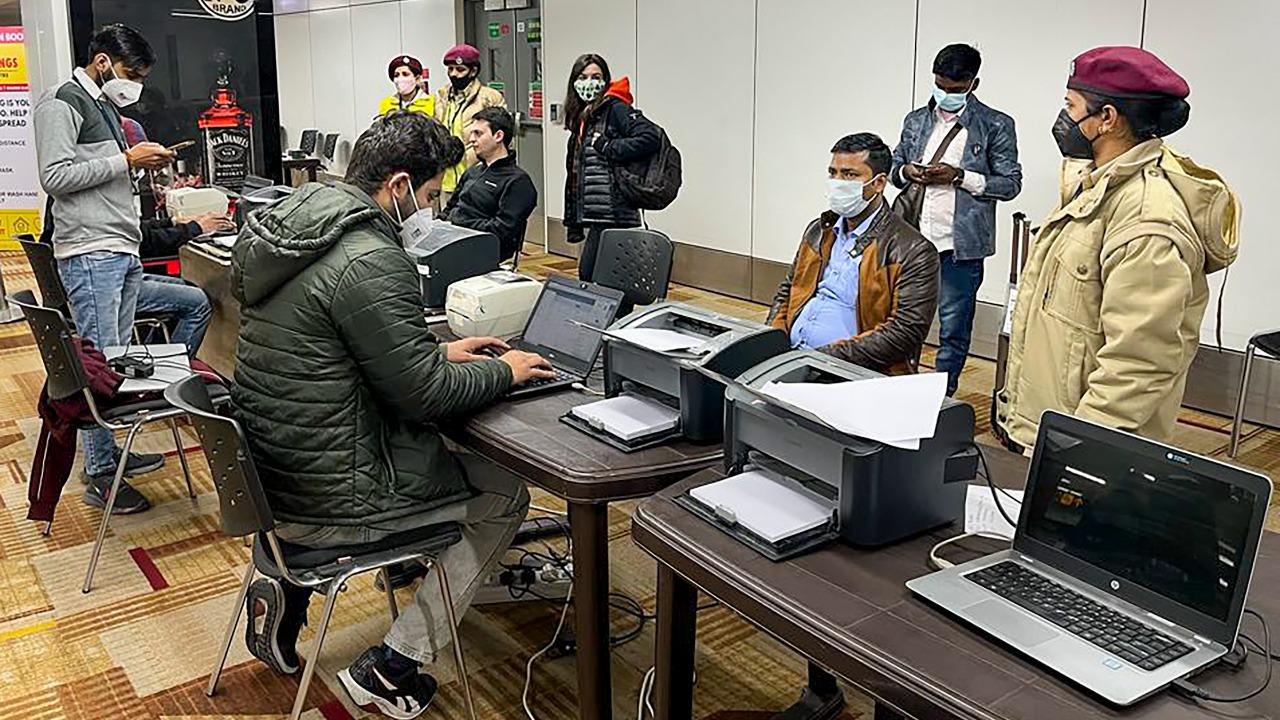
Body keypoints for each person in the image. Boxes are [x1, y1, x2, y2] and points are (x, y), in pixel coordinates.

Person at [230, 111, 554, 718]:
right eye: (431, 195)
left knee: (447, 457)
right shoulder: (370, 256)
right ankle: (394, 664)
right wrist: (504, 371)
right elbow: (423, 397)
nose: (432, 209)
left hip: (275, 482)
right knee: (505, 494)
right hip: (330, 498)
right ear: (400, 185)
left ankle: (285, 587)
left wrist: (436, 348)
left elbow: (333, 346)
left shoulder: (292, 230)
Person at [997, 46, 1238, 449]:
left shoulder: (1147, 219)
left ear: (1106, 118)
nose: (1064, 118)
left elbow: (1138, 364)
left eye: (1071, 106)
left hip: (1088, 449)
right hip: (1052, 429)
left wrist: (1072, 449)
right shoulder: (1096, 188)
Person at [34, 23, 175, 515]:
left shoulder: (104, 106)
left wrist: (139, 164)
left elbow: (103, 169)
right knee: (97, 367)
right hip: (90, 249)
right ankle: (99, 472)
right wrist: (124, 159)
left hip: (119, 245)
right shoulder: (62, 101)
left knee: (113, 363)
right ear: (101, 63)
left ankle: (109, 454)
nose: (134, 83)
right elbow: (54, 176)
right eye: (130, 73)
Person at [890, 43, 1022, 396]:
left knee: (954, 327)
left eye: (955, 89)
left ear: (973, 84)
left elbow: (1010, 184)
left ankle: (941, 397)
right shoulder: (916, 120)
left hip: (960, 247)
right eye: (940, 86)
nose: (946, 94)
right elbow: (893, 166)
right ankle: (900, 388)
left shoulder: (995, 124)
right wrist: (907, 171)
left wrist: (959, 176)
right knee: (904, 321)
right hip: (913, 241)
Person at [768, 133, 940, 375]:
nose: (838, 182)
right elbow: (788, 291)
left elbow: (904, 332)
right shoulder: (819, 230)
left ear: (879, 183)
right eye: (833, 173)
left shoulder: (912, 250)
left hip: (850, 371)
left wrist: (818, 359)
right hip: (792, 357)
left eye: (850, 175)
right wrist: (772, 341)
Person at [561, 53, 660, 281]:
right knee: (595, 277)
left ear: (606, 80)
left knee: (599, 278)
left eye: (596, 77)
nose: (589, 83)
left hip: (613, 212)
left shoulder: (615, 109)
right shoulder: (585, 116)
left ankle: (615, 318)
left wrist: (607, 146)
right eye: (583, 77)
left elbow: (649, 137)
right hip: (596, 213)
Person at [441, 106, 537, 261]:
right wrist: (435, 226)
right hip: (454, 240)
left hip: (484, 249)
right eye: (471, 133)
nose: (471, 139)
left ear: (498, 136)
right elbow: (450, 208)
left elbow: (502, 230)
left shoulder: (517, 181)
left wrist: (458, 223)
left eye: (478, 133)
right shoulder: (472, 172)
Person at [434, 44, 505, 207]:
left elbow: (502, 138)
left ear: (473, 71)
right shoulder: (442, 97)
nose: (454, 74)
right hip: (446, 176)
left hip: (477, 174)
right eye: (450, 69)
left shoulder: (489, 98)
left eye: (460, 70)